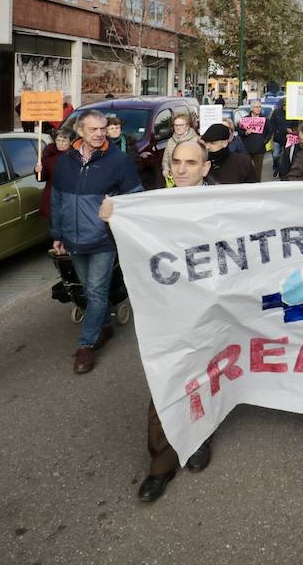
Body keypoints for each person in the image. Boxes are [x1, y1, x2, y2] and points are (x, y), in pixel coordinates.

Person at [100, 141, 213, 501]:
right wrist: (112, 222)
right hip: (165, 310)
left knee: (206, 374)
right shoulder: (152, 206)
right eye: (176, 162)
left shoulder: (225, 204)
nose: (181, 169)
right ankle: (161, 462)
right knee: (165, 376)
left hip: (212, 309)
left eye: (190, 163)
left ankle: (197, 436)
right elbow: (131, 245)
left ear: (205, 169)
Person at [51, 109, 143, 375]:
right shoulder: (65, 161)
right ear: (80, 131)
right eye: (94, 129)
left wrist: (116, 211)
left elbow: (135, 195)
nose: (100, 133)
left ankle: (86, 345)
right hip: (72, 239)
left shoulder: (119, 160)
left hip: (103, 238)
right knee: (90, 289)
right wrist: (57, 234)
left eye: (103, 128)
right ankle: (104, 327)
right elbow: (57, 199)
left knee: (96, 291)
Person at [35, 128, 72, 219]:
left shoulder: (76, 156)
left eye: (64, 140)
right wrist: (39, 171)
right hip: (52, 198)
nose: (61, 143)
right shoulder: (49, 155)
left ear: (70, 142)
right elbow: (41, 178)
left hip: (69, 200)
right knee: (54, 230)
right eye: (58, 140)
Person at [160, 109, 199, 186]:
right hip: (173, 179)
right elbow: (166, 159)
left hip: (190, 180)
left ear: (187, 126)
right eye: (176, 125)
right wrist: (166, 169)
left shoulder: (196, 141)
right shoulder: (170, 141)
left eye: (181, 125)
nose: (178, 128)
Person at [240, 99, 271, 182]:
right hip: (247, 148)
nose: (258, 109)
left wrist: (264, 141)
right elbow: (240, 132)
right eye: (256, 107)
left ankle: (257, 184)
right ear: (252, 108)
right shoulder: (245, 119)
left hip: (259, 148)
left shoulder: (264, 119)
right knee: (246, 168)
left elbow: (269, 132)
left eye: (259, 107)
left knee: (258, 169)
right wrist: (246, 132)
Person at [269, 99, 289, 171]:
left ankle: (283, 169)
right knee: (276, 155)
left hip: (288, 138)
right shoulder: (276, 112)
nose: (285, 106)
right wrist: (275, 131)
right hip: (277, 137)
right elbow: (271, 123)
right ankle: (276, 168)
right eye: (284, 105)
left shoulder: (291, 113)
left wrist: (291, 130)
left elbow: (295, 123)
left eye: (286, 105)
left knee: (286, 155)